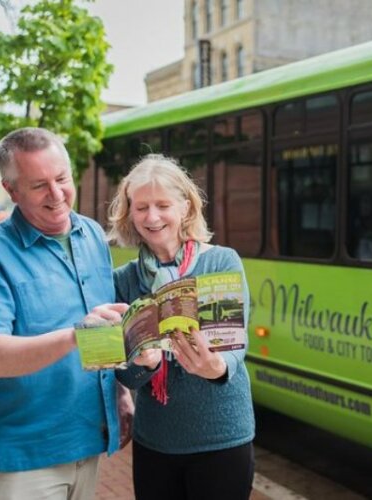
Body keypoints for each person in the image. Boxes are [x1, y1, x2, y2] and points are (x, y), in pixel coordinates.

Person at [0, 127, 132, 499]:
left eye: (62, 179)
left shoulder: (92, 236)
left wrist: (119, 393)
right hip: (24, 457)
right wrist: (75, 335)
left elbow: (102, 326)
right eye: (39, 185)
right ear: (11, 190)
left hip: (89, 441)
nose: (56, 195)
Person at [103, 153, 255, 499]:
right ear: (129, 213)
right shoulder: (124, 281)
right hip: (156, 441)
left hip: (222, 437)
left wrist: (214, 367)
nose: (152, 217)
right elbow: (124, 376)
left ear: (185, 207)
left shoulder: (220, 261)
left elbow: (233, 348)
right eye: (141, 207)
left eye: (162, 205)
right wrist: (144, 365)